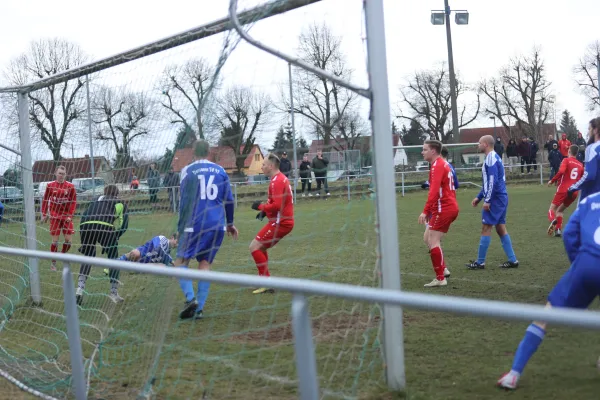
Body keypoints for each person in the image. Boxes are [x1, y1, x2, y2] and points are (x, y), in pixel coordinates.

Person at [496, 191, 600, 390]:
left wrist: (578, 266)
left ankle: (513, 374)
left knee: (545, 315)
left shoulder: (589, 201)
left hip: (586, 265)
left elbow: (570, 234)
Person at [176, 140, 238, 320]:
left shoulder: (187, 171)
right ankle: (199, 309)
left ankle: (190, 299)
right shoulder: (220, 171)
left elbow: (184, 203)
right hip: (216, 224)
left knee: (181, 262)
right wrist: (230, 223)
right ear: (209, 151)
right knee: (205, 264)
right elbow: (229, 200)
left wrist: (180, 228)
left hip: (193, 224)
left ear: (193, 151)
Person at [466, 135, 519, 270]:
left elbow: (492, 181)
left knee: (486, 227)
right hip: (501, 197)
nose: (478, 145)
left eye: (479, 143)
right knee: (500, 228)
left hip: (496, 198)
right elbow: (489, 182)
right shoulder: (494, 157)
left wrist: (487, 200)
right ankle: (513, 260)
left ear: (485, 144)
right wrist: (479, 197)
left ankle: (480, 262)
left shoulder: (490, 158)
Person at [76, 185, 129, 305]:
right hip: (104, 225)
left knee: (88, 256)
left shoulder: (96, 199)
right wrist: (114, 238)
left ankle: (79, 289)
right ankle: (114, 293)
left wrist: (83, 243)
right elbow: (123, 225)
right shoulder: (120, 203)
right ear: (117, 194)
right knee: (113, 258)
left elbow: (85, 214)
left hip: (85, 224)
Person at [249, 153, 294, 294]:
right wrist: (265, 212)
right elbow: (276, 203)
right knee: (260, 248)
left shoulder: (277, 181)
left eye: (263, 164)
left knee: (254, 247)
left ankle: (266, 282)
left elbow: (277, 205)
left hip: (281, 223)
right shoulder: (278, 179)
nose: (261, 166)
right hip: (280, 221)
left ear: (271, 166)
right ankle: (264, 281)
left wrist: (260, 207)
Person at [418, 141, 459, 287]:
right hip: (445, 207)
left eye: (424, 149)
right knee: (427, 238)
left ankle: (440, 277)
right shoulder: (442, 164)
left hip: (444, 208)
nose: (422, 152)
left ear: (433, 151)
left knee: (433, 240)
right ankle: (443, 270)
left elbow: (434, 191)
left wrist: (425, 211)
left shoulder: (437, 165)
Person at [41, 166, 77, 271]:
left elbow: (73, 201)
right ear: (55, 173)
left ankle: (61, 255)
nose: (61, 175)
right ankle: (53, 263)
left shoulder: (70, 186)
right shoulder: (50, 186)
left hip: (66, 217)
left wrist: (70, 215)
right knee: (55, 241)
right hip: (54, 216)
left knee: (68, 241)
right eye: (60, 173)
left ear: (66, 175)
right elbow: (45, 199)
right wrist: (44, 213)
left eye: (63, 173)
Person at [546, 145, 583, 237]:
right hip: (574, 192)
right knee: (560, 210)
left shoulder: (566, 160)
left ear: (569, 151)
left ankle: (553, 220)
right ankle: (558, 230)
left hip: (563, 189)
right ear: (577, 153)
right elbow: (582, 179)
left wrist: (552, 180)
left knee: (552, 209)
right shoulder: (581, 165)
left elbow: (561, 171)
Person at [568, 117, 600, 201]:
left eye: (589, 129)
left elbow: (589, 175)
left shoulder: (592, 148)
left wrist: (573, 188)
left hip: (592, 198)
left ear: (595, 130)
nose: (588, 132)